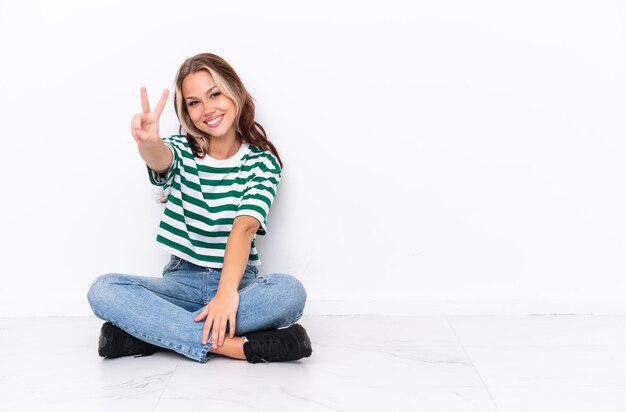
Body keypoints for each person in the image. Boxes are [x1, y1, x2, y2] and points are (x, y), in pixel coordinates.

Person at [87, 53, 312, 364]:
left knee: (289, 292)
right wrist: (148, 142)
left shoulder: (262, 162)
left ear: (235, 92)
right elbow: (159, 157)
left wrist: (226, 294)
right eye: (194, 103)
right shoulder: (180, 151)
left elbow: (244, 227)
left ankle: (145, 333)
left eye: (214, 94)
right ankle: (237, 347)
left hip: (238, 285)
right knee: (104, 289)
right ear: (186, 112)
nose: (207, 110)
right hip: (181, 283)